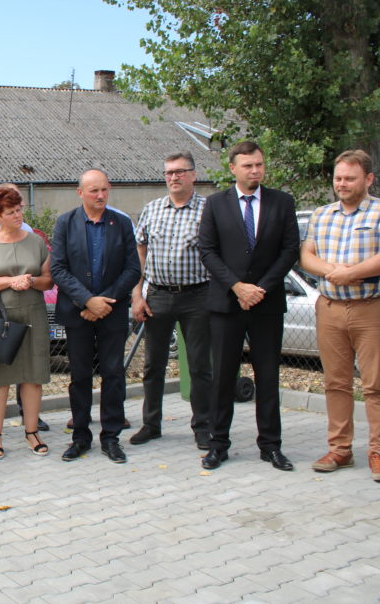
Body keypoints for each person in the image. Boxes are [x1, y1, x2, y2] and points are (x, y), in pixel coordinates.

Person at [198, 141, 299, 471]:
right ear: (233, 169)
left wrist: (260, 289)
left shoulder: (282, 202)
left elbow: (289, 250)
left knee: (267, 376)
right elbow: (207, 250)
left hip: (266, 305)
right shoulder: (216, 204)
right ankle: (218, 444)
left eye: (259, 164)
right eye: (248, 165)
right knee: (222, 377)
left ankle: (270, 446)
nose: (255, 170)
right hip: (226, 304)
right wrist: (237, 286)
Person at [300, 150, 380, 481]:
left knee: (375, 384)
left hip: (370, 308)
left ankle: (378, 451)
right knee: (335, 382)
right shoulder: (322, 214)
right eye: (338, 178)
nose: (342, 184)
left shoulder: (378, 212)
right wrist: (333, 271)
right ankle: (340, 450)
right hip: (330, 308)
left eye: (350, 178)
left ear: (368, 179)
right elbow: (307, 255)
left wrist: (353, 273)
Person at [51, 169, 141, 464]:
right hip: (78, 314)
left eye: (104, 189)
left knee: (113, 374)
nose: (100, 196)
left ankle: (111, 437)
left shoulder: (121, 223)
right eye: (94, 191)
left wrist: (105, 302)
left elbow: (132, 269)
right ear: (81, 193)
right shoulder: (65, 223)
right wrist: (88, 301)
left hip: (112, 313)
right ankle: (80, 437)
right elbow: (58, 269)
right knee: (80, 376)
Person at [130, 151, 213, 450]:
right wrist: (137, 294)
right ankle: (151, 424)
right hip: (159, 296)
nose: (174, 177)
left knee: (200, 365)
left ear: (193, 175)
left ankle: (203, 427)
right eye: (169, 172)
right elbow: (140, 251)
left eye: (180, 171)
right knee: (154, 364)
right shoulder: (152, 209)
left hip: (197, 296)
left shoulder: (208, 210)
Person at [0, 186, 54, 459]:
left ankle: (32, 432)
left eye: (19, 210)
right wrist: (9, 281)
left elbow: (48, 280)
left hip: (33, 314)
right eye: (11, 212)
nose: (18, 215)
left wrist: (30, 280)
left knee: (32, 375)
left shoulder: (36, 241)